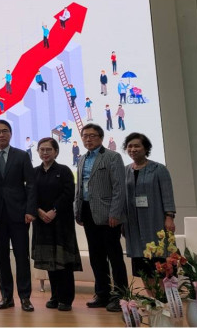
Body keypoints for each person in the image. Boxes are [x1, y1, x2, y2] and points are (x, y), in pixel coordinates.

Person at [0, 120, 36, 312]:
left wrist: (30, 210)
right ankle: (7, 297)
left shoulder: (22, 155)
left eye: (5, 131)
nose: (1, 134)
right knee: (2, 257)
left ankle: (25, 297)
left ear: (11, 134)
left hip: (20, 215)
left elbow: (31, 185)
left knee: (22, 257)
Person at [74, 123, 127, 312]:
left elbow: (119, 187)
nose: (88, 139)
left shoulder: (112, 157)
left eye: (92, 135)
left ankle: (120, 295)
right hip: (88, 212)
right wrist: (78, 211)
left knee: (114, 256)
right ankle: (102, 293)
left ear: (101, 138)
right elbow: (80, 187)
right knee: (96, 256)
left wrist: (115, 213)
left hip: (108, 214)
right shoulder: (82, 159)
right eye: (85, 136)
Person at [31, 137, 82, 311]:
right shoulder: (34, 172)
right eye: (42, 149)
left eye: (49, 149)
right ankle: (55, 296)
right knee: (49, 261)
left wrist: (54, 211)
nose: (45, 152)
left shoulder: (64, 170)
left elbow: (68, 194)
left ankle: (66, 299)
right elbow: (30, 195)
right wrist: (39, 211)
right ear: (38, 152)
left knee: (63, 262)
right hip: (42, 222)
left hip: (61, 222)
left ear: (56, 152)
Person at [123, 133, 176, 281]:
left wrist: (169, 217)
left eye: (137, 146)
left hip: (155, 220)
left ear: (146, 148)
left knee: (160, 259)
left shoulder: (159, 169)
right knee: (142, 267)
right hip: (133, 223)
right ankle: (152, 295)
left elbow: (167, 195)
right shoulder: (125, 171)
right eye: (129, 146)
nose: (133, 149)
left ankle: (164, 294)